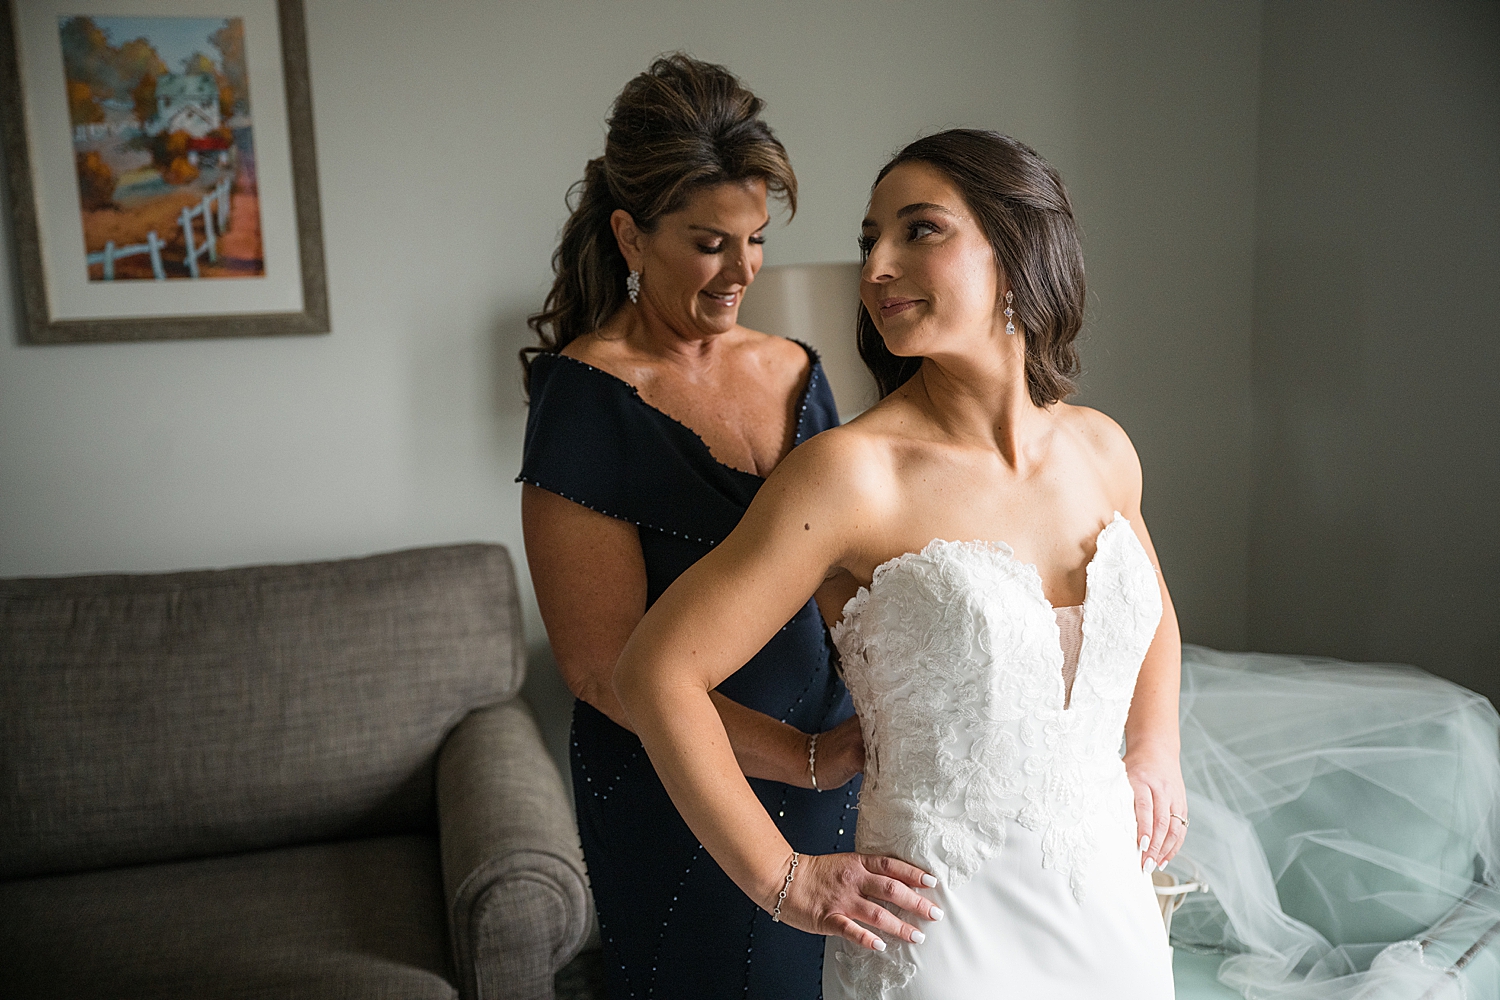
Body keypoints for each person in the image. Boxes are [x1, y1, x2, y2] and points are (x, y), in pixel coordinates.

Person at [615, 129, 1185, 998]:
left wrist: (1155, 747)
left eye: (918, 230)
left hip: (1110, 913)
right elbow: (655, 672)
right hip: (941, 932)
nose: (876, 265)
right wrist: (785, 879)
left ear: (1018, 247)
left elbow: (1146, 613)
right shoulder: (851, 475)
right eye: (867, 240)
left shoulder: (1102, 448)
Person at [517, 54, 865, 999]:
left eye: (755, 239)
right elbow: (601, 670)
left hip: (836, 777)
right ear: (631, 235)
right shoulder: (585, 402)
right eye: (711, 243)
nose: (743, 270)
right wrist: (798, 759)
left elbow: (842, 577)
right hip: (679, 789)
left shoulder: (797, 366)